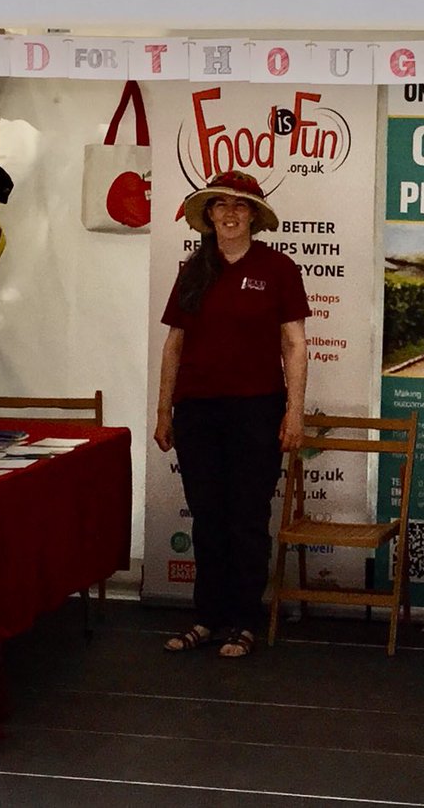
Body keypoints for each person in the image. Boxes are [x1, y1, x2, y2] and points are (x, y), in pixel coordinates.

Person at [154, 170, 309, 659]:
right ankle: (207, 617)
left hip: (256, 410)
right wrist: (163, 412)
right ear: (209, 216)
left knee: (246, 517)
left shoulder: (279, 269)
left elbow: (295, 344)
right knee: (207, 517)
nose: (229, 213)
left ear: (254, 218)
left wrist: (295, 412)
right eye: (220, 205)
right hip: (197, 411)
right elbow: (174, 344)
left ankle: (244, 621)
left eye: (240, 206)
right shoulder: (193, 269)